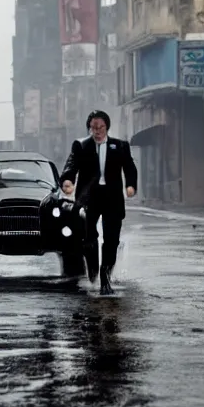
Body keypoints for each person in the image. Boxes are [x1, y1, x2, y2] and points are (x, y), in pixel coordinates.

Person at [60, 110, 138, 295]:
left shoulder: (120, 146)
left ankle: (105, 276)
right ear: (89, 128)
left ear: (107, 127)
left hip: (112, 198)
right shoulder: (81, 145)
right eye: (94, 127)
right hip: (89, 198)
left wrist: (131, 185)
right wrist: (68, 180)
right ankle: (93, 269)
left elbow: (129, 168)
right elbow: (71, 165)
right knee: (88, 237)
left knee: (111, 239)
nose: (97, 131)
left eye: (101, 127)